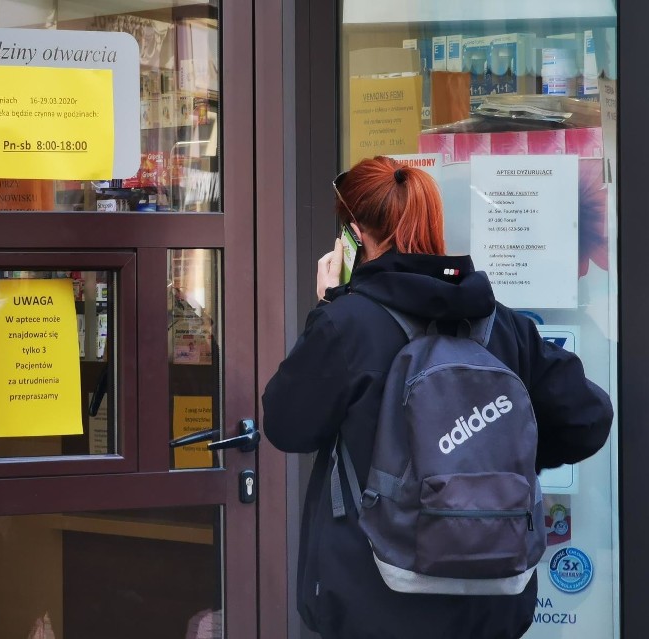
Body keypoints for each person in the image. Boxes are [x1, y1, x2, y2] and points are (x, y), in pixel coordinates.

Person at [261, 155, 613, 639]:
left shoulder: (346, 324)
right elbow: (587, 418)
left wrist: (325, 304)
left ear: (354, 235)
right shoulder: (502, 324)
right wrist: (492, 460)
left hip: (374, 599)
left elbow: (286, 425)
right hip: (491, 606)